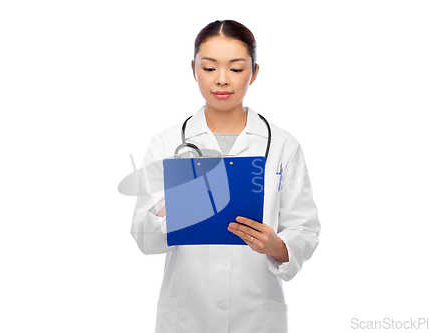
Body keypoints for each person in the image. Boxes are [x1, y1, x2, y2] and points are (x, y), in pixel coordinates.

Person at [130, 19, 321, 333]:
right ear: (193, 70)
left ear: (254, 72)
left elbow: (306, 229)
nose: (222, 80)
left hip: (257, 315)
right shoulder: (166, 143)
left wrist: (276, 245)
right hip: (187, 315)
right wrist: (176, 211)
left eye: (235, 68)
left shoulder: (283, 145)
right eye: (209, 68)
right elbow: (142, 236)